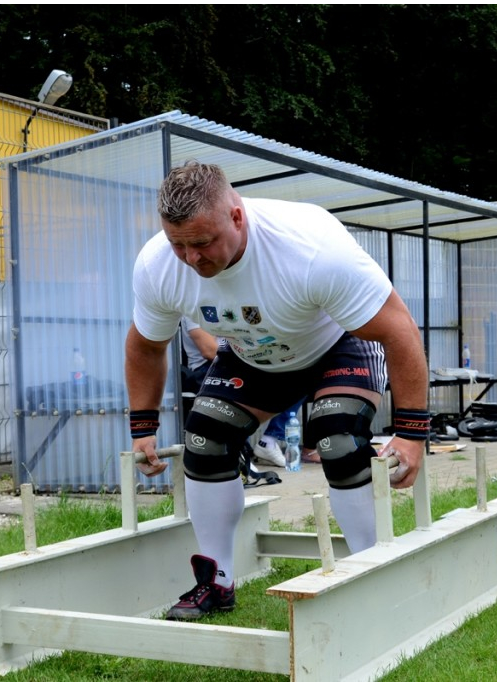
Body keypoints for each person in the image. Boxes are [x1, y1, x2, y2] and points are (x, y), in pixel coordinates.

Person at [126, 161, 429, 620]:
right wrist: (142, 427)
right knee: (203, 439)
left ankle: (369, 572)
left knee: (338, 437)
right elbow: (146, 346)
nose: (191, 259)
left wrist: (410, 433)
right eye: (178, 245)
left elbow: (400, 331)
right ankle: (216, 581)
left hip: (337, 345)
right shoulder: (157, 265)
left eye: (203, 243)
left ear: (237, 216)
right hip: (256, 355)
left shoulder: (308, 247)